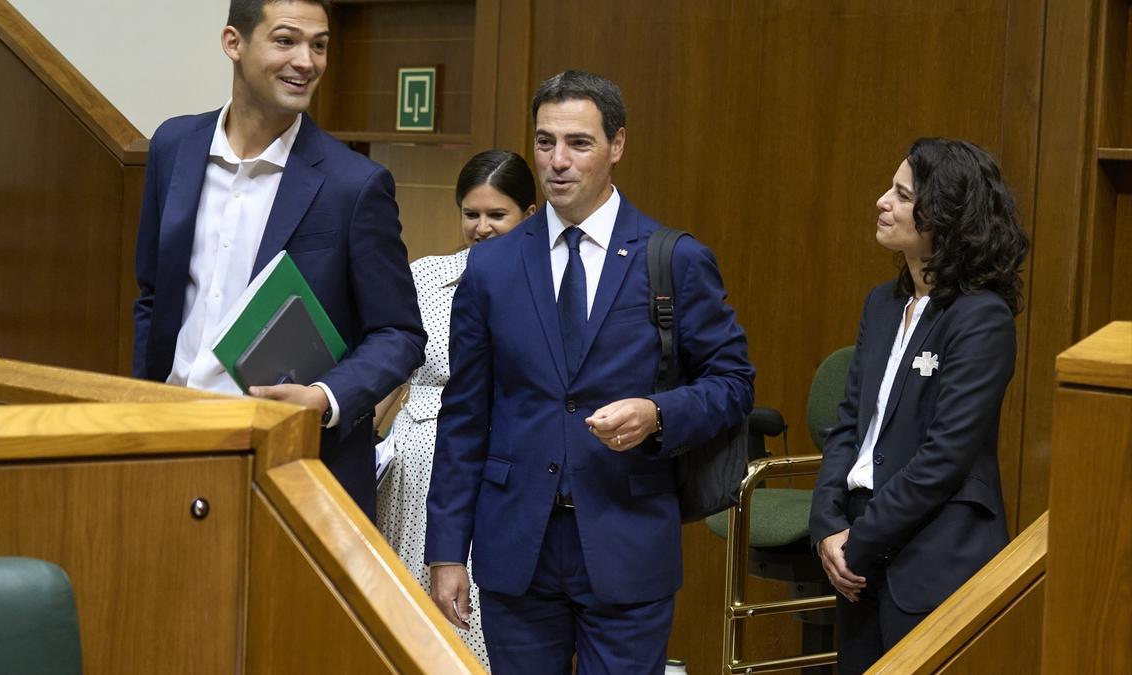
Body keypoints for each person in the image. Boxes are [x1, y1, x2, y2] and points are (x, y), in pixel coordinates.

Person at [424, 70, 755, 674]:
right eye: (545, 142)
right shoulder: (491, 268)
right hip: (515, 545)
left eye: (578, 143)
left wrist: (659, 413)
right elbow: (465, 414)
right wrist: (447, 550)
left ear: (617, 146)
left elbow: (732, 382)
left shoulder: (672, 259)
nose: (557, 161)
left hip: (626, 538)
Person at [132, 0, 425, 520]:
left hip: (290, 460)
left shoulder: (353, 185)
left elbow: (400, 335)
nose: (307, 61)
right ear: (234, 43)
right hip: (171, 441)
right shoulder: (173, 146)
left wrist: (324, 397)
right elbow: (153, 296)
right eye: (286, 40)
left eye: (319, 44)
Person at [809, 137, 1030, 673]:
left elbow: (944, 458)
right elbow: (851, 427)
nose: (883, 202)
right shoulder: (882, 304)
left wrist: (859, 540)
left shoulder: (982, 317)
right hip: (858, 549)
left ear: (946, 218)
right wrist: (826, 525)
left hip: (931, 555)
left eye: (902, 195)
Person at [375, 149, 537, 669]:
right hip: (413, 470)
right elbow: (389, 371)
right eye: (472, 215)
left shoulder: (542, 288)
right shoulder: (426, 276)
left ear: (529, 217)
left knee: (482, 620)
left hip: (494, 471)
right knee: (410, 616)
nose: (482, 228)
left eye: (497, 215)